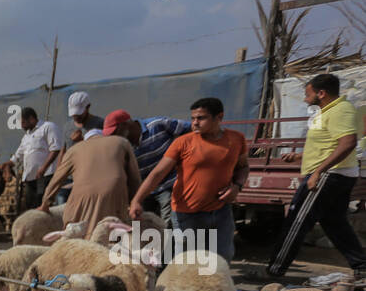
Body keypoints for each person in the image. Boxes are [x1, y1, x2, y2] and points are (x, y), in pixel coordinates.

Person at [267, 73, 366, 278]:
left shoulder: (340, 110)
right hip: (335, 174)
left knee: (296, 221)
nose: (305, 98)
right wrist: (299, 156)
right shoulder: (327, 111)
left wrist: (318, 172)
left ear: (321, 93)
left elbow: (348, 143)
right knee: (335, 224)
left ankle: (275, 270)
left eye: (307, 94)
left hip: (329, 175)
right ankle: (361, 267)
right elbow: (329, 144)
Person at [130, 98, 247, 261]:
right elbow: (157, 174)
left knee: (221, 259)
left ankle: (214, 287)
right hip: (187, 214)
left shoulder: (236, 139)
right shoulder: (183, 143)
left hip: (221, 212)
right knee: (185, 263)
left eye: (201, 118)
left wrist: (237, 186)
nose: (195, 123)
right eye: (193, 118)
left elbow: (243, 167)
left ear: (219, 117)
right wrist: (137, 200)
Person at [40, 110, 141, 239]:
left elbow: (56, 179)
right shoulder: (121, 142)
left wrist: (45, 203)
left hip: (80, 200)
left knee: (78, 238)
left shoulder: (74, 150)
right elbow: (134, 178)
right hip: (113, 196)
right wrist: (135, 201)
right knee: (112, 237)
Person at [127, 113, 192, 226]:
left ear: (126, 125)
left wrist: (187, 156)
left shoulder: (157, 125)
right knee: (145, 223)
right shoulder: (124, 144)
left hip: (168, 184)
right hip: (145, 190)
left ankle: (170, 242)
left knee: (168, 221)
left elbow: (191, 128)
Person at [12, 107, 62, 210]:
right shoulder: (26, 136)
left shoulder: (47, 127)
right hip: (30, 179)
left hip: (44, 176)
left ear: (31, 119)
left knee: (43, 206)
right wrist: (5, 165)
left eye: (23, 122)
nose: (22, 126)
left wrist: (44, 168)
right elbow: (18, 156)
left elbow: (55, 149)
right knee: (31, 207)